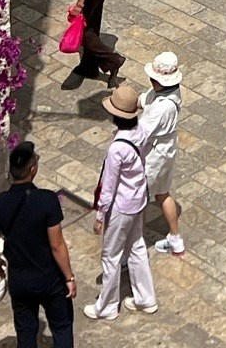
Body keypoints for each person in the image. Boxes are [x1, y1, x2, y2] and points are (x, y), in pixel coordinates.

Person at [0, 138, 75, 348]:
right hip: (50, 279)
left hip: (20, 280)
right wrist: (69, 277)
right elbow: (57, 245)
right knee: (62, 327)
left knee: (25, 333)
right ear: (33, 169)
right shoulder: (47, 200)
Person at [87, 84, 158, 322]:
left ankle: (107, 306)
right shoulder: (142, 131)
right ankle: (145, 298)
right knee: (136, 246)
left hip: (121, 206)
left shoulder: (117, 148)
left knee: (111, 255)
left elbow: (109, 187)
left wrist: (100, 215)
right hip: (138, 198)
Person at [138, 53, 186, 255]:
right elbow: (142, 101)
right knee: (162, 193)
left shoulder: (162, 107)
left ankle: (135, 245)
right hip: (166, 151)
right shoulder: (166, 91)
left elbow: (141, 133)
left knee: (138, 199)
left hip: (155, 156)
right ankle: (175, 238)